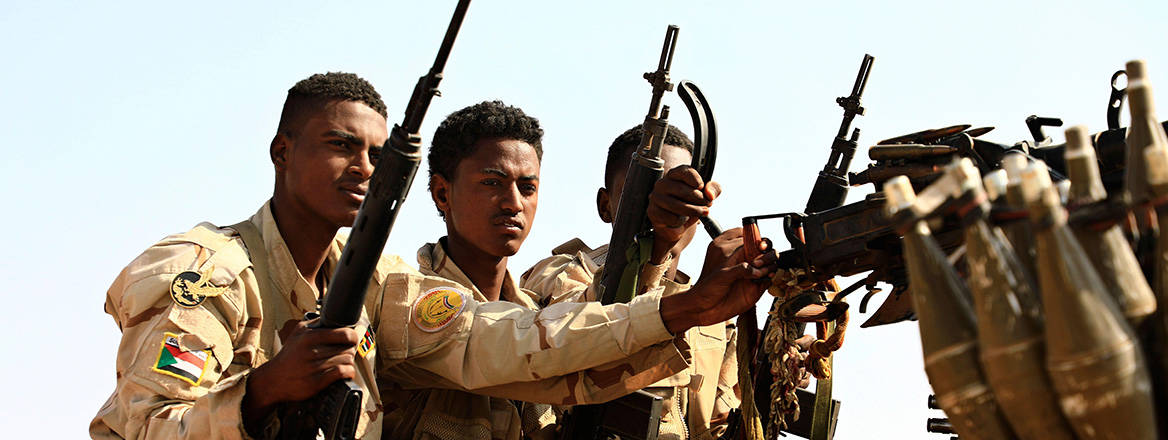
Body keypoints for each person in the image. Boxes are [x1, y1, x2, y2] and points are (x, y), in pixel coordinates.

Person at [91, 72, 776, 440]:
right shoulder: (205, 270)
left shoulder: (385, 285)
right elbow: (149, 425)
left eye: (374, 154)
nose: (361, 168)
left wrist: (684, 305)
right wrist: (266, 391)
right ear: (282, 152)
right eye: (339, 146)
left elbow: (505, 339)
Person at [521, 124, 739, 439]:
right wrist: (654, 254)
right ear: (605, 205)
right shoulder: (559, 274)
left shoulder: (713, 315)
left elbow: (715, 422)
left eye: (679, 195)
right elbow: (594, 325)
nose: (664, 210)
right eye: (646, 195)